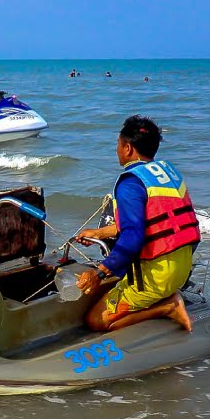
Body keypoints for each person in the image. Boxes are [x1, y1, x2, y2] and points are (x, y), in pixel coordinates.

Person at [74, 115, 198, 333]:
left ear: (128, 148)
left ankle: (168, 307)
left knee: (95, 320)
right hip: (183, 267)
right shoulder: (167, 173)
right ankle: (165, 295)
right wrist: (100, 233)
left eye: (118, 144)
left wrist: (99, 273)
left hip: (156, 276)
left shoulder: (130, 183)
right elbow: (158, 224)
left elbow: (133, 236)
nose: (117, 150)